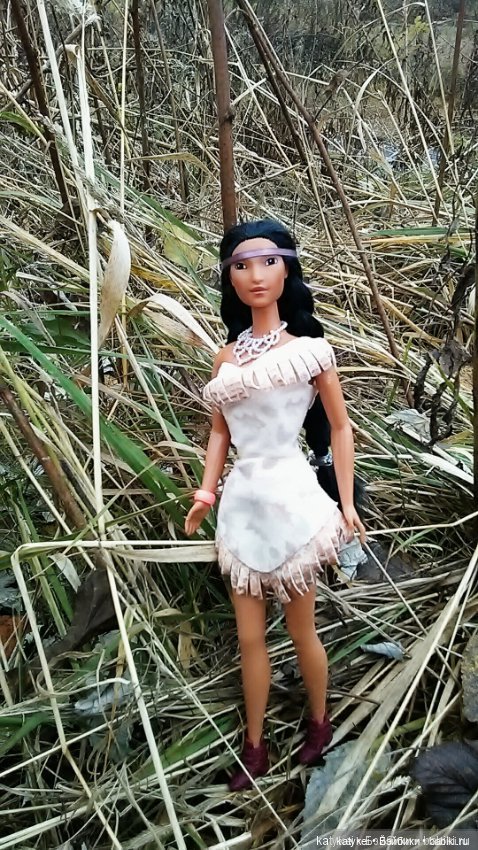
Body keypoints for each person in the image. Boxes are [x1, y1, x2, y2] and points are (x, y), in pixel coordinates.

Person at [185, 219, 366, 791]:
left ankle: (319, 720)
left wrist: (345, 500)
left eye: (267, 262)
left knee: (302, 628)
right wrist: (206, 493)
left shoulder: (310, 352)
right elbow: (219, 432)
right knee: (249, 638)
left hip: (291, 499)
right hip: (242, 505)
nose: (255, 275)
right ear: (229, 278)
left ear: (287, 269)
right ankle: (255, 744)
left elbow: (341, 427)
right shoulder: (225, 357)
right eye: (241, 266)